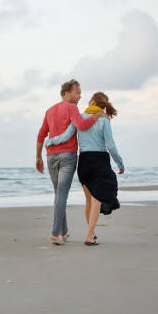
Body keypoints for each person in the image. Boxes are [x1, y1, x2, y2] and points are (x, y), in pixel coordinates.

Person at [44, 91, 124, 246]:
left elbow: (66, 136)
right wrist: (120, 163)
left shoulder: (78, 118)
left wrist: (50, 141)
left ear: (92, 102)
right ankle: (89, 235)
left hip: (84, 161)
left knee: (89, 199)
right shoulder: (104, 120)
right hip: (100, 160)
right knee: (96, 199)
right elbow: (111, 146)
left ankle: (91, 234)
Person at [35, 79, 105, 246]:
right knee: (61, 195)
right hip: (67, 156)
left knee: (59, 195)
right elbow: (81, 125)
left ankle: (63, 232)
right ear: (66, 93)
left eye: (80, 93)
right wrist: (96, 116)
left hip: (50, 157)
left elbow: (41, 134)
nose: (79, 96)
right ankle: (55, 233)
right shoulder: (72, 107)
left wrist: (38, 157)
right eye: (77, 92)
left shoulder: (50, 110)